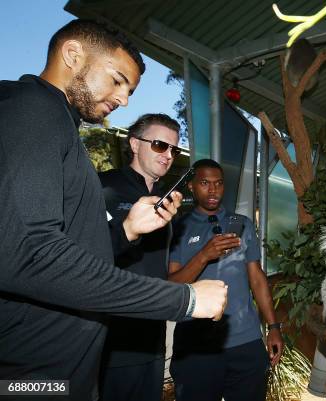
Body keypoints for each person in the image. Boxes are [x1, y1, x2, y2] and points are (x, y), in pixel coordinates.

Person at [0, 19, 226, 401]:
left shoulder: (58, 124)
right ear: (73, 54)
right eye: (118, 80)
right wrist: (184, 300)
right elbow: (30, 253)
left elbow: (64, 246)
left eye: (131, 90)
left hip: (60, 373)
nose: (124, 100)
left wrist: (126, 232)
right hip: (30, 378)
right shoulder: (33, 109)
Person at [168, 159, 284, 401]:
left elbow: (257, 279)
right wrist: (204, 255)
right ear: (191, 186)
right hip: (196, 348)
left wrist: (273, 328)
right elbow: (171, 287)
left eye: (219, 183)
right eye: (205, 183)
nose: (213, 190)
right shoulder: (178, 229)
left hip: (246, 343)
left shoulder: (242, 224)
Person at [98, 113, 183, 401]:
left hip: (153, 335)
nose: (169, 155)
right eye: (160, 145)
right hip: (111, 337)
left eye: (175, 149)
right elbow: (82, 255)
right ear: (134, 144)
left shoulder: (168, 199)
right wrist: (128, 229)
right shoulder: (102, 187)